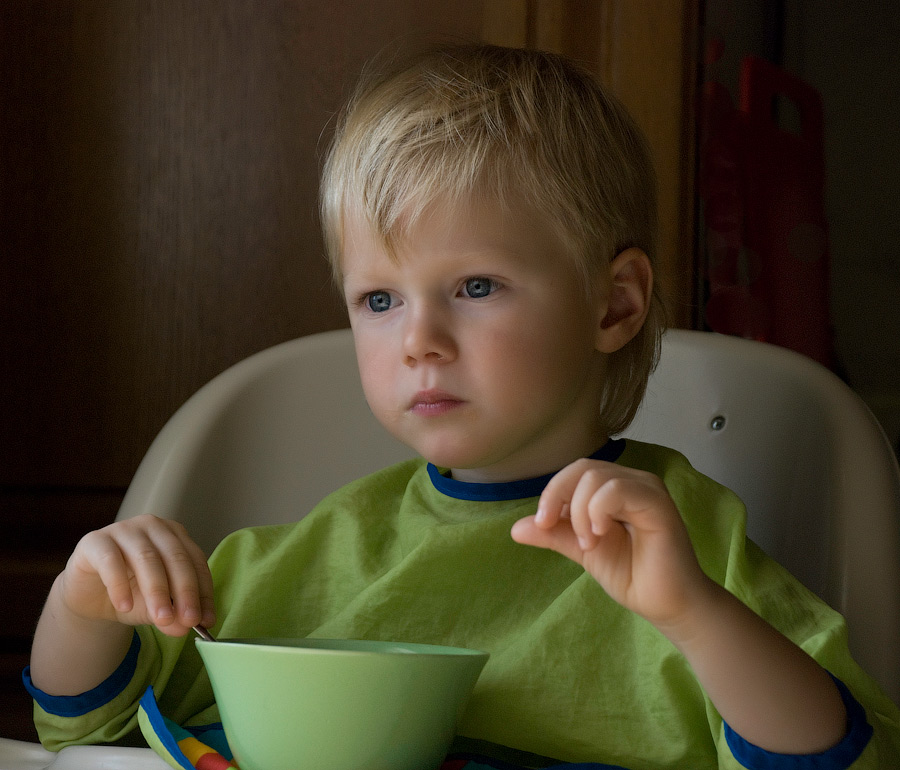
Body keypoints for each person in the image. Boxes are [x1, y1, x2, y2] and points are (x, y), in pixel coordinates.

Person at [25, 44, 900, 768]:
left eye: (476, 286)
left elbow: (845, 759)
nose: (419, 339)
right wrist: (82, 603)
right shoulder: (304, 560)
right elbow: (81, 731)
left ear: (614, 306)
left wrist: (691, 615)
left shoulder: (687, 548)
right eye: (379, 300)